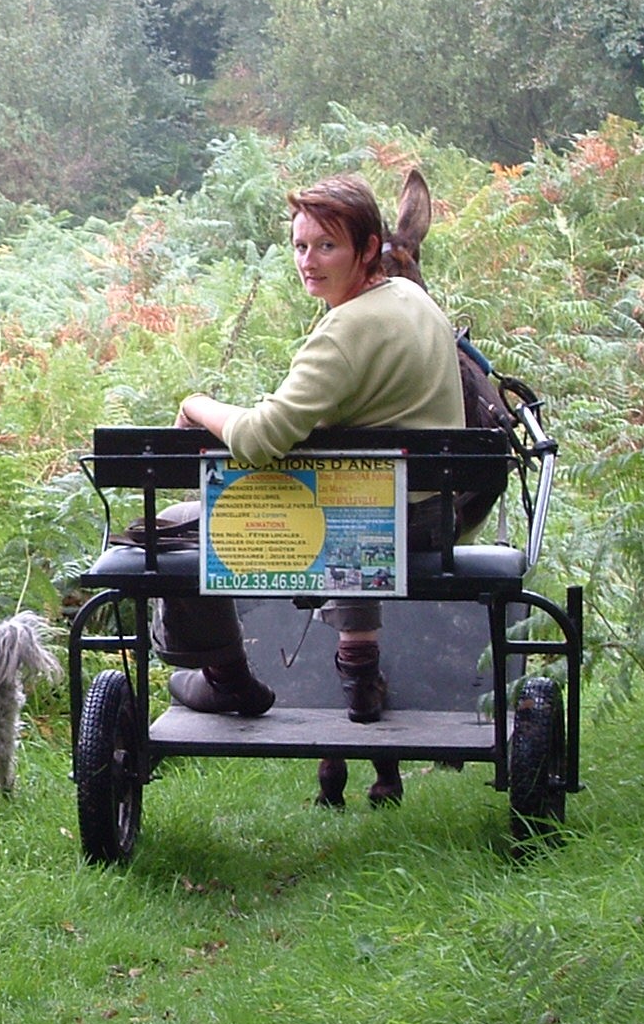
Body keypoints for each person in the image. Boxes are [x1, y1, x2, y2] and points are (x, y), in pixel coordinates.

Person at [156, 174, 466, 725]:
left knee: (172, 530)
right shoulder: (414, 299)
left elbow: (256, 440)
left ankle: (225, 679)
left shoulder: (345, 331)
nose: (309, 261)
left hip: (367, 526)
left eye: (327, 246)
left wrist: (197, 403)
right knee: (347, 488)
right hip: (436, 516)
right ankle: (357, 667)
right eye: (301, 246)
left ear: (369, 248)